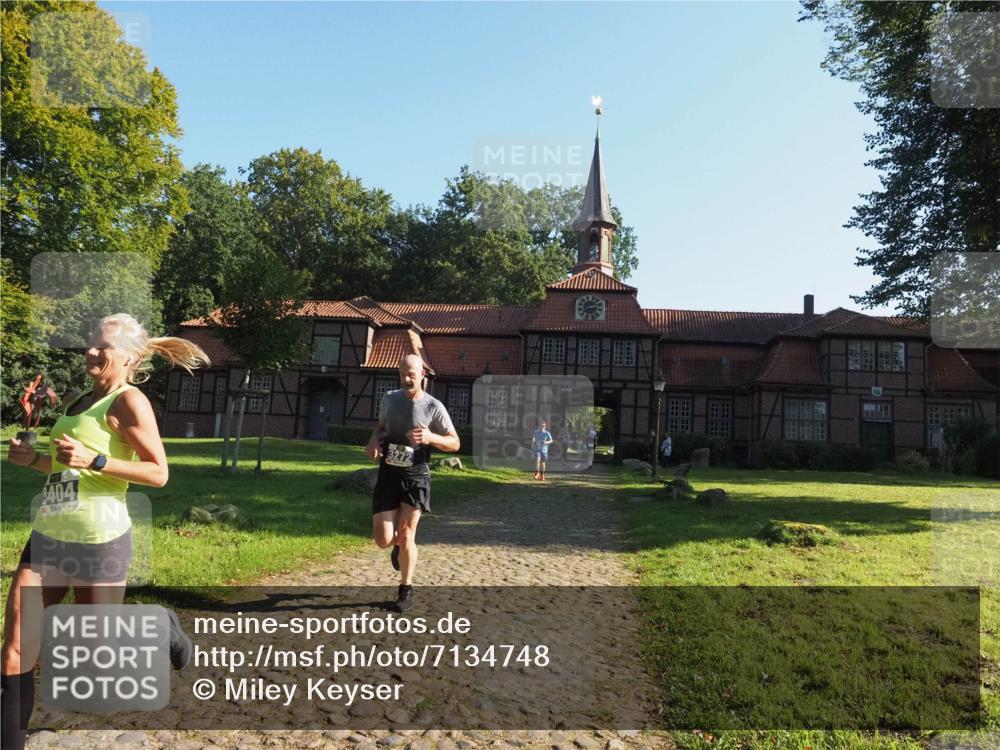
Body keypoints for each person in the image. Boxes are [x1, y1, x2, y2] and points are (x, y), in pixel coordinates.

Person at [2, 313, 209, 750]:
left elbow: (158, 472)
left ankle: (160, 627)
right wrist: (32, 459)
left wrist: (94, 460)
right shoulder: (80, 398)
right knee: (16, 650)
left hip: (99, 542)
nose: (91, 352)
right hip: (48, 535)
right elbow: (64, 465)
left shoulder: (129, 402)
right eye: (91, 343)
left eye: (103, 346)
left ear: (131, 358)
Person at [366, 355, 460, 612]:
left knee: (407, 534)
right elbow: (382, 427)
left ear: (423, 376)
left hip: (416, 475)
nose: (407, 379)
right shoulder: (390, 399)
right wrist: (374, 440)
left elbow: (455, 442)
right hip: (388, 474)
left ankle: (405, 589)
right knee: (383, 540)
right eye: (403, 374)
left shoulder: (433, 406)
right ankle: (397, 548)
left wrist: (430, 437)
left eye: (412, 374)